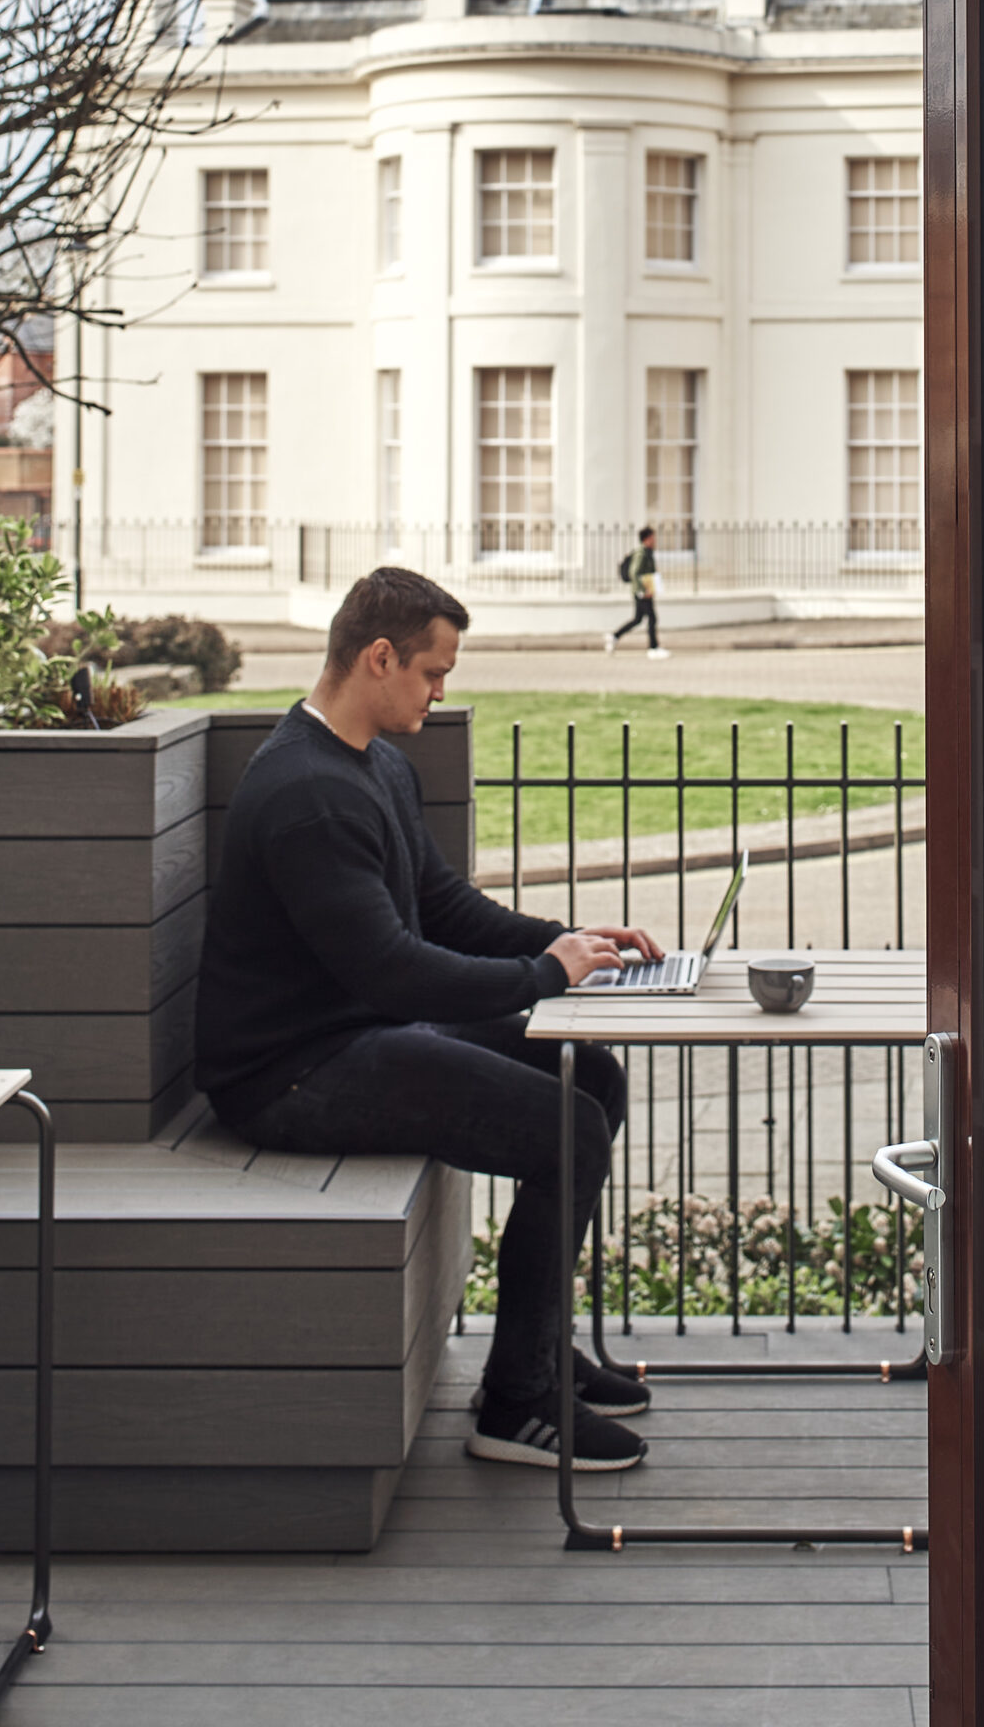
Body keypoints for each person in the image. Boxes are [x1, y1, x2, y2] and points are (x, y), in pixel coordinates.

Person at [193, 567, 663, 1472]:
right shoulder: (307, 793)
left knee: (589, 1075)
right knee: (564, 1130)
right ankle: (517, 1406)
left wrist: (568, 942)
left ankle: (533, 1352)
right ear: (379, 658)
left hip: (359, 1035)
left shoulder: (373, 766)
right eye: (433, 673)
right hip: (290, 1073)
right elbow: (395, 971)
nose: (443, 691)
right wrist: (540, 976)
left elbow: (442, 908)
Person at [604, 524, 669, 659]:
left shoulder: (646, 552)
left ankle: (614, 636)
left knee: (638, 619)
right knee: (652, 618)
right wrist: (644, 589)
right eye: (653, 538)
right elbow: (634, 572)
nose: (654, 540)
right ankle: (653, 648)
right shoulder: (641, 553)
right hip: (642, 592)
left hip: (643, 591)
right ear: (647, 539)